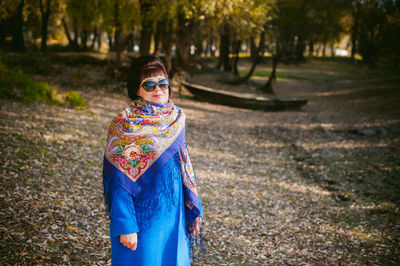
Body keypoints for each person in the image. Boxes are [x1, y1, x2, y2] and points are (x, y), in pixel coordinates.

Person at [102, 55, 204, 265]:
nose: (158, 89)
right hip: (142, 217)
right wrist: (125, 225)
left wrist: (194, 207)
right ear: (136, 89)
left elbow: (184, 164)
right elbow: (118, 180)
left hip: (174, 216)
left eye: (162, 83)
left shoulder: (175, 118)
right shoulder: (125, 124)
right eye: (149, 84)